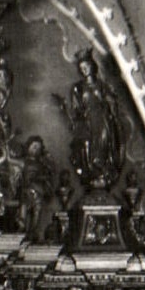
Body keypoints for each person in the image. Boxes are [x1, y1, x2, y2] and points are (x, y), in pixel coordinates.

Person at [55, 49, 125, 190]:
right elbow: (76, 109)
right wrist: (66, 109)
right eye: (82, 68)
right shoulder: (78, 88)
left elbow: (112, 102)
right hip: (88, 121)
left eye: (87, 66)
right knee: (88, 148)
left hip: (103, 119)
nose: (85, 70)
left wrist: (110, 102)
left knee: (104, 143)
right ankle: (94, 173)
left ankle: (104, 173)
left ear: (93, 66)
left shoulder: (102, 86)